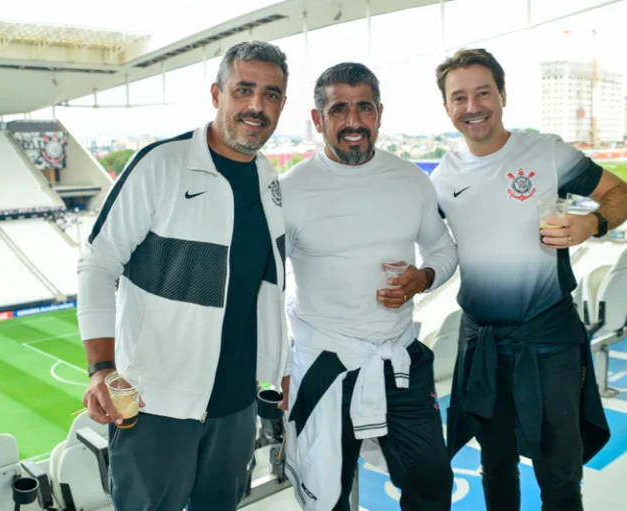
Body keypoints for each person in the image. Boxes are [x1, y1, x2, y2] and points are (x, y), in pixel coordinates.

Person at [76, 40, 291, 511]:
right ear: (216, 94)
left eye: (271, 95)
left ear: (282, 104)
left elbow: (266, 289)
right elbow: (98, 262)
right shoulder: (160, 164)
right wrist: (101, 368)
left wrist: (282, 366)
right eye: (244, 90)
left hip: (236, 407)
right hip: (155, 405)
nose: (257, 106)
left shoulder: (269, 179)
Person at [430, 48, 627, 511]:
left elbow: (622, 193)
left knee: (559, 471)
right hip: (482, 343)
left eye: (483, 93)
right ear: (446, 107)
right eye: (459, 97)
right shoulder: (442, 177)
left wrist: (591, 223)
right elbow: (422, 242)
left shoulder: (546, 153)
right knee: (495, 463)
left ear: (502, 95)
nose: (473, 107)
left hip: (547, 339)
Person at [280, 62, 458, 511]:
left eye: (364, 108)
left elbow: (443, 249)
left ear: (380, 113)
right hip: (324, 364)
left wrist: (423, 278)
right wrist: (274, 366)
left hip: (398, 358)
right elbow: (266, 285)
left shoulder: (410, 179)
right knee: (326, 497)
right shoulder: (291, 190)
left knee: (433, 485)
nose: (354, 121)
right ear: (318, 119)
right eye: (339, 109)